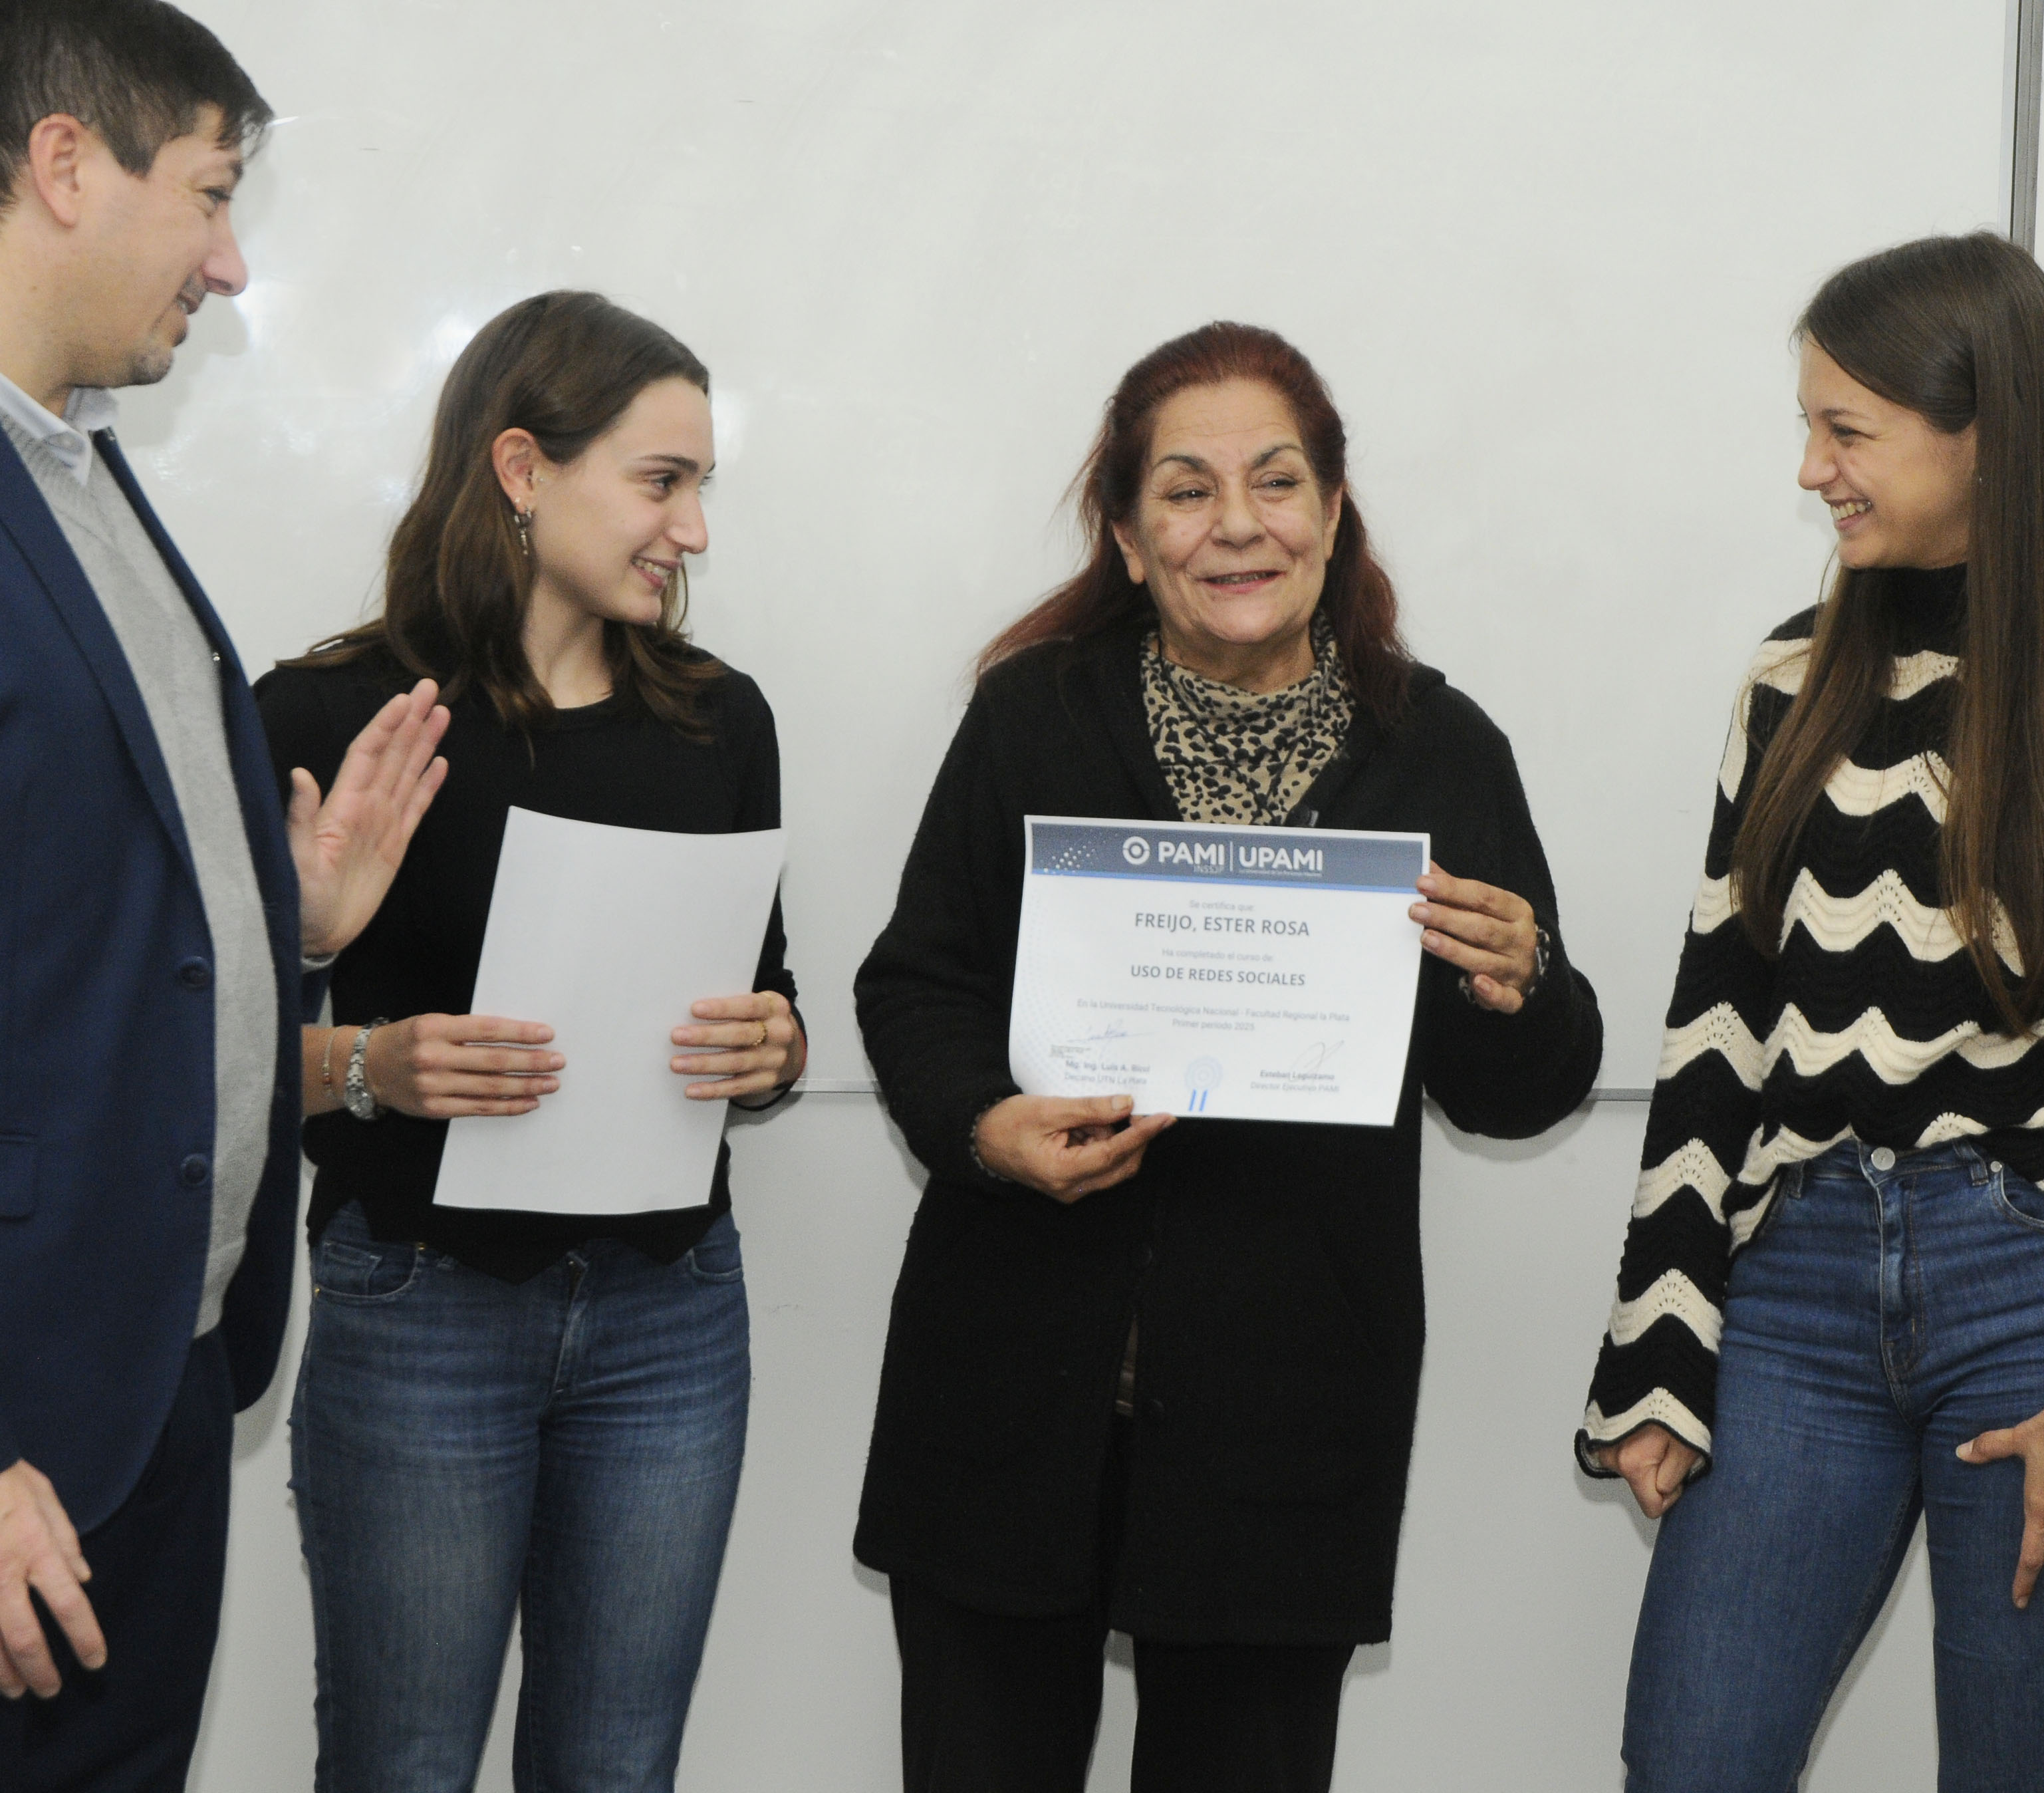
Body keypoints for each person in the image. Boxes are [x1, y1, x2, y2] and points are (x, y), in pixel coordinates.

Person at [1581, 233, 2044, 1792]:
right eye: (1806, 427)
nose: (1809, 471)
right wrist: (1658, 1337)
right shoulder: (1789, 681)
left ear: (1987, 434)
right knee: (1690, 1764)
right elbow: (1716, 1022)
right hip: (1795, 1285)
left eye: (1845, 430)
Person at [851, 320, 1602, 1792]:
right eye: (1187, 491)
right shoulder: (1032, 717)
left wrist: (1521, 983)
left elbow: (1522, 1090)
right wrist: (987, 1128)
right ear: (1131, 541)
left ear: (1332, 510)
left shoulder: (1438, 750)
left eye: (1275, 481)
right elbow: (916, 985)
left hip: (1286, 1417)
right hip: (1008, 1384)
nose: (1237, 524)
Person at [253, 291, 803, 1793]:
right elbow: (203, 1053)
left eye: (701, 487)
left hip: (672, 1314)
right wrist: (369, 1064)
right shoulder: (330, 715)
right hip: (418, 1306)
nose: (692, 530)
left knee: (617, 1765)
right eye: (660, 481)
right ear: (521, 468)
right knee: (404, 1763)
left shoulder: (720, 722)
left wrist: (774, 1046)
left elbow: (770, 996)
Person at [0, 4, 454, 1788]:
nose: (231, 262)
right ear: (63, 164)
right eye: (206, 195)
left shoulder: (79, 471)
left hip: (150, 1375)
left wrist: (288, 917)